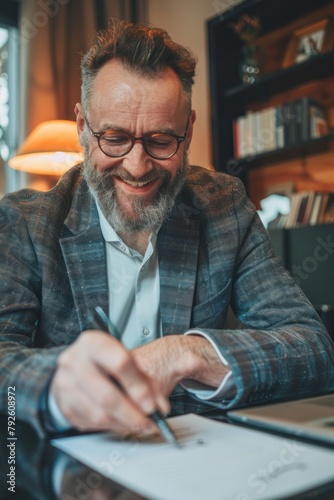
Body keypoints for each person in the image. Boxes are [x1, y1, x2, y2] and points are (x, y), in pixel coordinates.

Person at [0, 20, 333, 438]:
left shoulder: (224, 206)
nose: (137, 168)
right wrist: (53, 383)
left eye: (161, 141)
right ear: (83, 127)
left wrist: (188, 353)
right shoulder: (25, 223)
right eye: (115, 139)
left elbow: (314, 350)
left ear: (189, 129)